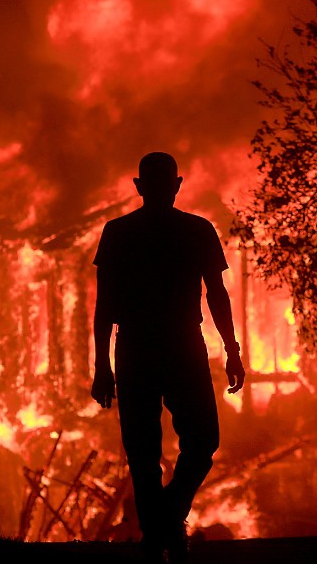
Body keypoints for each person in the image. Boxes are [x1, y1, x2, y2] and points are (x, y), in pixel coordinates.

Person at [91, 151, 245, 563]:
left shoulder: (120, 232)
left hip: (144, 348)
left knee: (147, 451)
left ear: (140, 186)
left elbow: (105, 306)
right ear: (176, 184)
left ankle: (160, 525)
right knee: (189, 443)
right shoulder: (194, 230)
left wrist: (102, 366)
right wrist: (231, 350)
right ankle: (165, 529)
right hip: (175, 345)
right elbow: (217, 294)